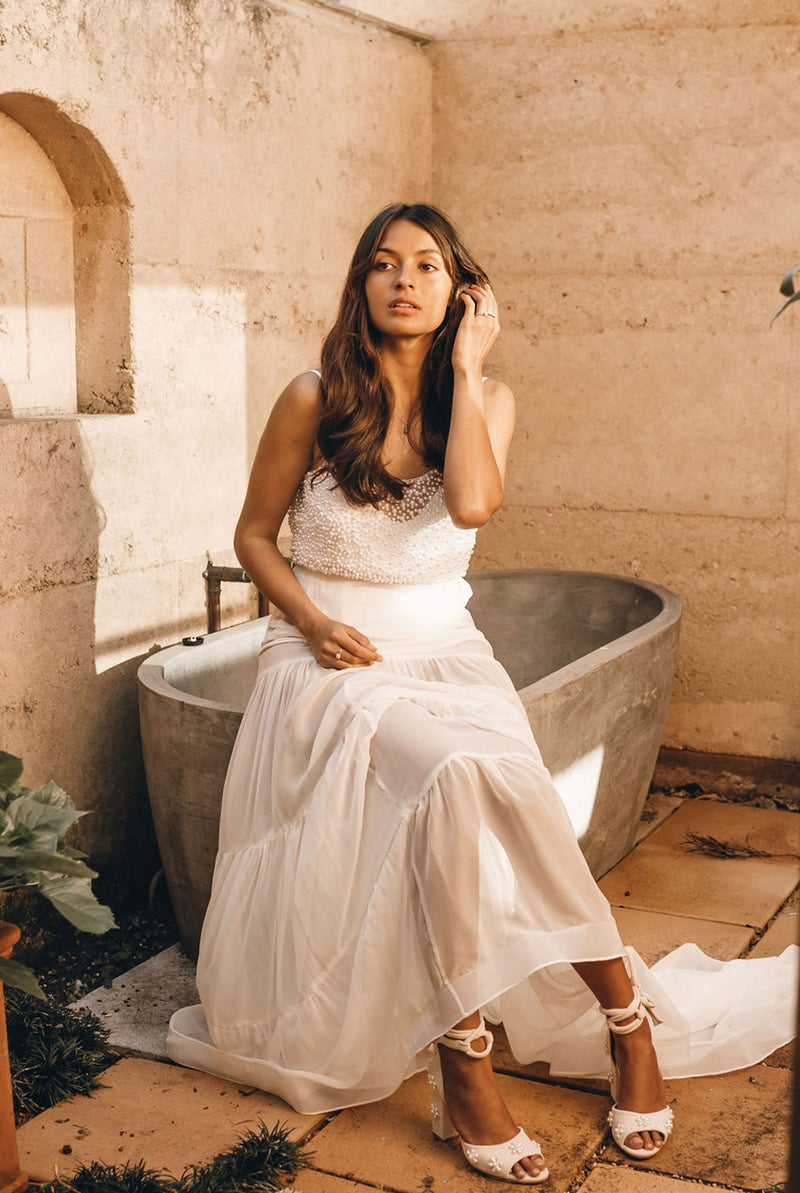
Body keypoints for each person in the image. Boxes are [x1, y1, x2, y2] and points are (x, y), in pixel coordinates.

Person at [168, 203, 795, 1185]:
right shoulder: (310, 395)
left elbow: (469, 504)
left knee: (501, 790)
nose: (401, 280)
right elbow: (255, 535)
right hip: (327, 660)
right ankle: (467, 1062)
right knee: (460, 776)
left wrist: (463, 366)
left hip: (446, 651)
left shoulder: (486, 399)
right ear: (360, 285)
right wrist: (309, 620)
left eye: (424, 264)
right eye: (382, 264)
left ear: (458, 288)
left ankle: (625, 1025)